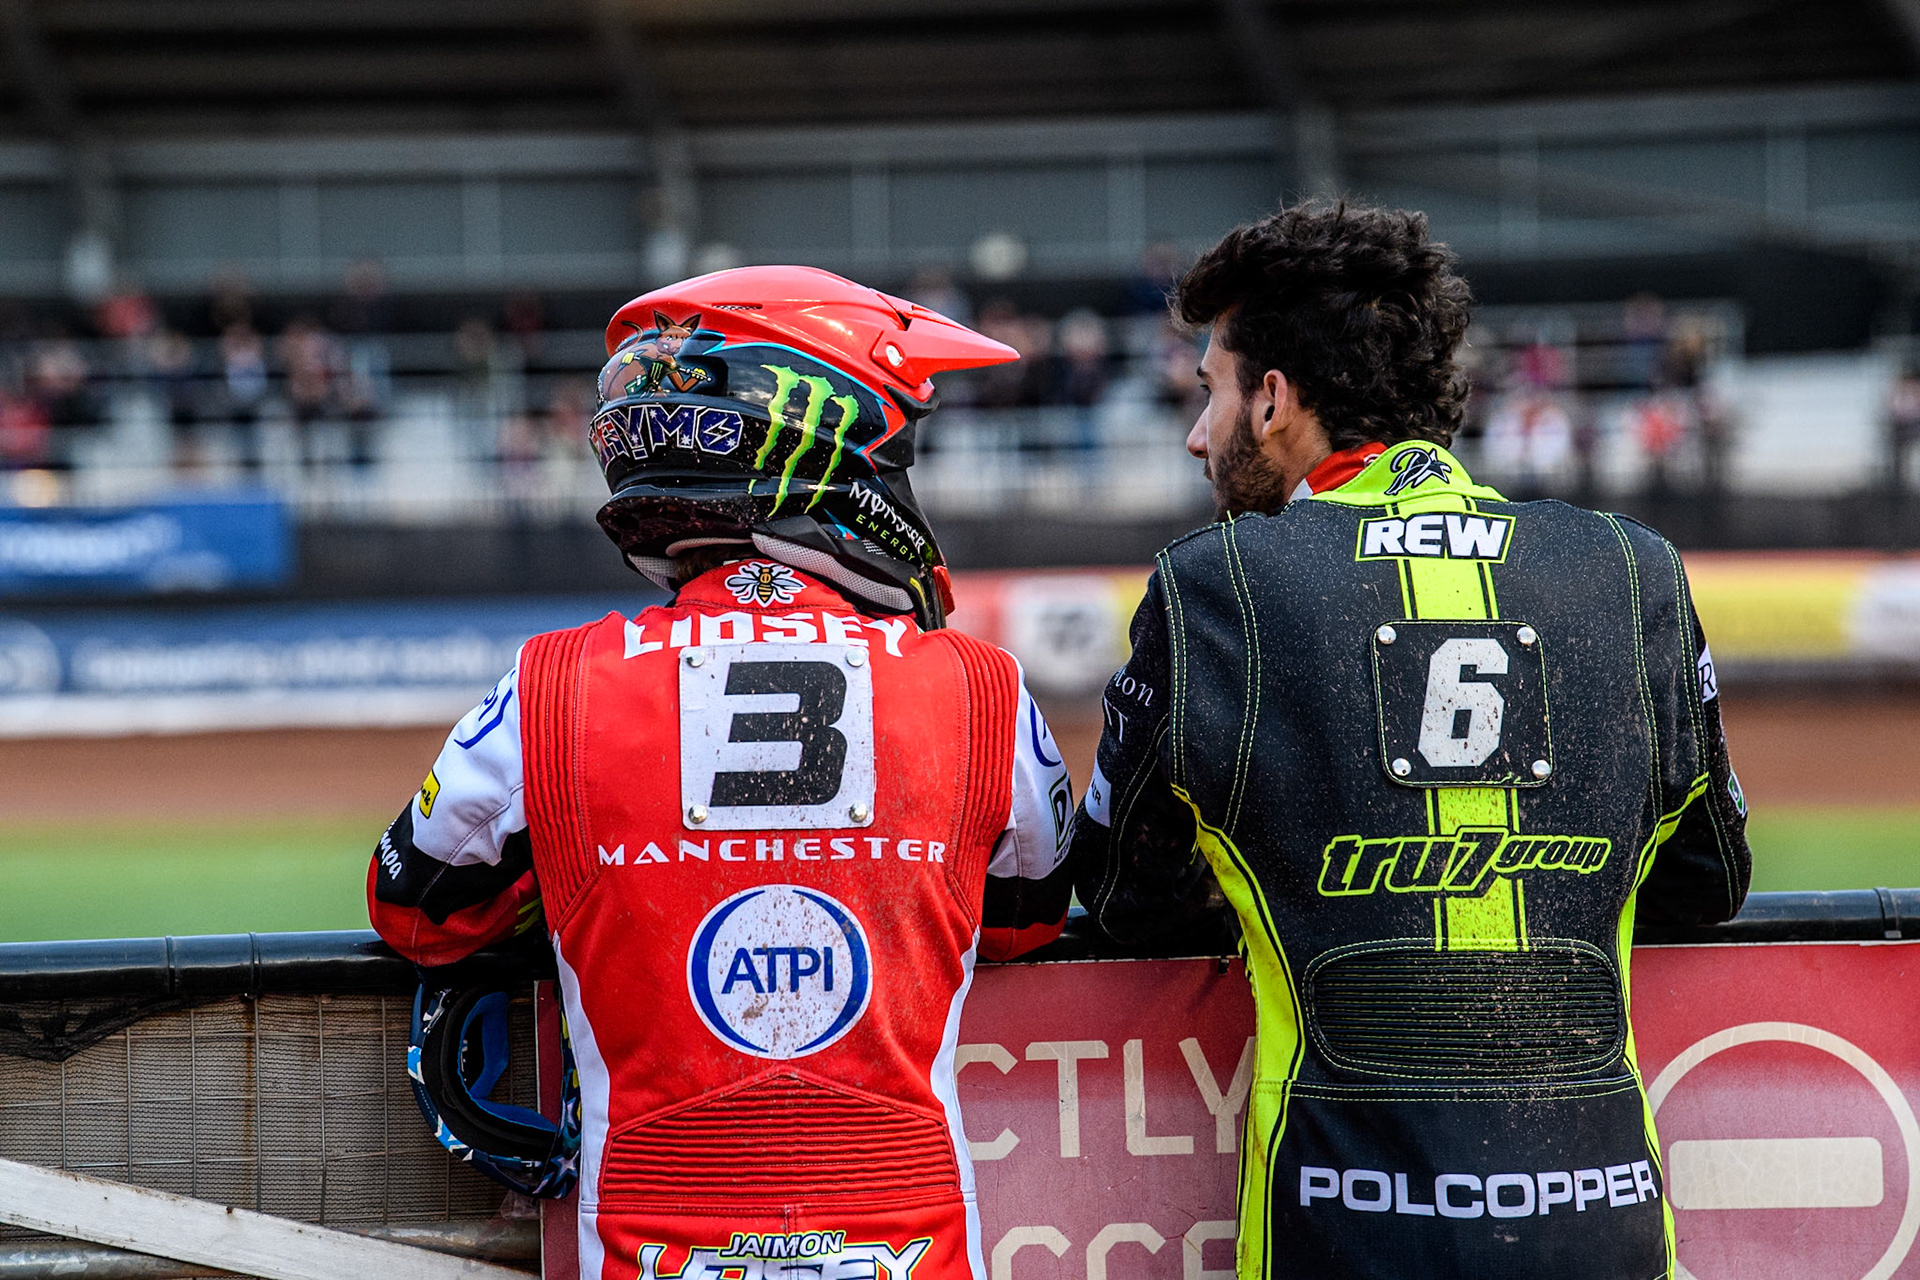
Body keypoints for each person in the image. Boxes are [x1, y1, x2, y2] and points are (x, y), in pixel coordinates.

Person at [1068, 202, 1751, 1280]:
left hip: (1341, 1224)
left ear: (1275, 401)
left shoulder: (1214, 584)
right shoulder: (1635, 569)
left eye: (1211, 393)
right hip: (1605, 1218)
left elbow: (1122, 894)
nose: (1199, 435)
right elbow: (1709, 882)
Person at [367, 266, 1077, 1280]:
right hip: (909, 1242)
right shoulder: (985, 689)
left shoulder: (551, 684)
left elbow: (415, 908)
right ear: (821, 439)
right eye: (900, 455)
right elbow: (1022, 925)